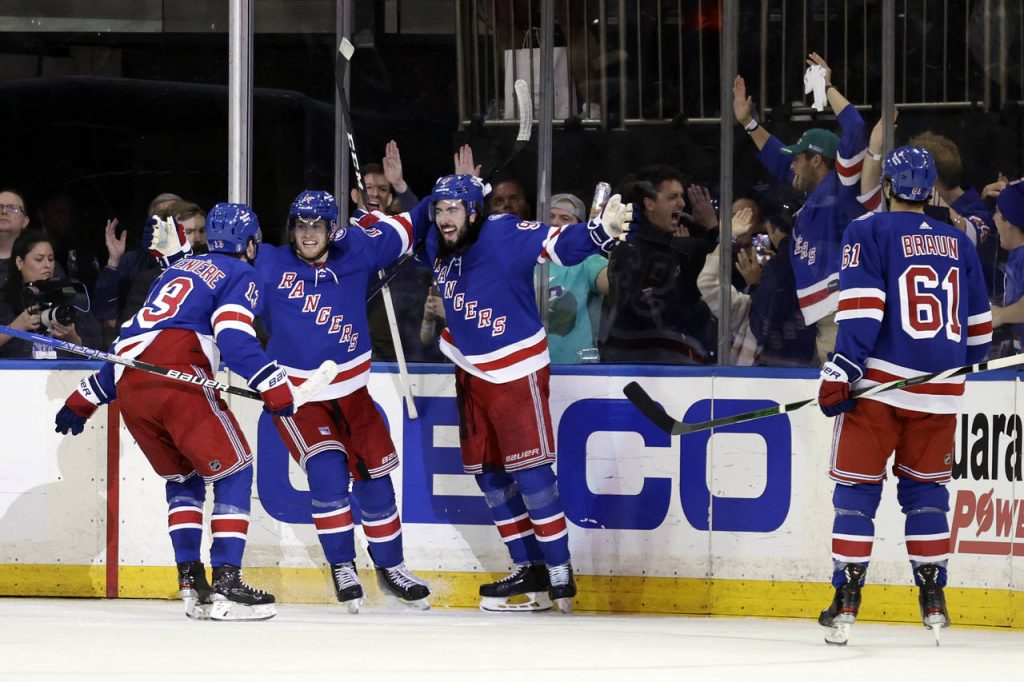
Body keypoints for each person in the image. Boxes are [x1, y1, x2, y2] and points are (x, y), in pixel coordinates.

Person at [361, 173, 633, 612]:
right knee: (488, 474)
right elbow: (400, 235)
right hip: (469, 372)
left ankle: (559, 569)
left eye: (453, 210)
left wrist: (599, 232)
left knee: (532, 472)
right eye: (439, 210)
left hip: (516, 370)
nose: (444, 218)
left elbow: (558, 244)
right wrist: (372, 222)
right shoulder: (436, 240)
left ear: (473, 212)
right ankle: (528, 566)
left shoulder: (503, 231)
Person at [52, 203, 291, 621]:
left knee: (184, 477)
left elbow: (138, 345)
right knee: (234, 471)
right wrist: (272, 383)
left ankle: (191, 580)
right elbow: (234, 338)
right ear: (251, 245)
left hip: (131, 384)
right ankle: (227, 584)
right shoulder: (242, 273)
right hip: (179, 378)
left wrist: (84, 397)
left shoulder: (176, 271)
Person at [815, 147, 992, 645]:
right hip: (940, 394)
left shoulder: (867, 230)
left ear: (889, 187)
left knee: (856, 494)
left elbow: (863, 309)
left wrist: (843, 369)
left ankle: (847, 597)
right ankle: (933, 599)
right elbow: (979, 333)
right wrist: (945, 368)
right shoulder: (959, 242)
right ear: (930, 189)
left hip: (878, 391)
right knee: (926, 496)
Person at [255, 190, 431, 610]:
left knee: (376, 481)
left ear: (332, 229)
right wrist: (175, 257)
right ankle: (342, 566)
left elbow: (414, 222)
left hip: (354, 395)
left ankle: (391, 568)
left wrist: (451, 188)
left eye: (317, 225)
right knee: (328, 474)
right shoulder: (268, 262)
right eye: (301, 225)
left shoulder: (359, 249)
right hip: (301, 398)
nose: (308, 234)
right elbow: (218, 272)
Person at [734, 53, 868, 361]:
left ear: (817, 160)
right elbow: (778, 157)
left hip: (840, 315)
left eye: (798, 158)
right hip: (823, 317)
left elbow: (856, 128)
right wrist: (749, 123)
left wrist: (828, 87)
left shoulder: (843, 187)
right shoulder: (815, 192)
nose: (791, 164)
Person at [599, 165, 717, 364]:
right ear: (649, 204)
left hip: (660, 358)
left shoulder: (671, 246)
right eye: (673, 197)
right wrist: (703, 310)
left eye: (681, 196)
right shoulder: (632, 249)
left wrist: (709, 229)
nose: (682, 203)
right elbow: (658, 314)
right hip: (639, 362)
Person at [0, 230, 102, 358]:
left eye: (51, 259)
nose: (47, 265)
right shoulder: (4, 300)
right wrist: (13, 328)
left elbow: (100, 351)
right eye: (39, 259)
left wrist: (73, 340)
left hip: (62, 370)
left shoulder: (74, 300)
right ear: (20, 262)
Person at [93, 192, 182, 339]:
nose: (167, 220)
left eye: (174, 214)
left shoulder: (199, 259)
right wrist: (114, 261)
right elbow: (105, 311)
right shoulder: (132, 260)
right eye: (162, 215)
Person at [544, 192, 608, 363]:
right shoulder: (527, 260)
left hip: (576, 369)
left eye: (565, 218)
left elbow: (615, 282)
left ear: (580, 227)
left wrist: (615, 244)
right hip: (529, 367)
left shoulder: (588, 261)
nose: (555, 222)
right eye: (550, 216)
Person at [748, 209, 818, 366]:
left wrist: (754, 285)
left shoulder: (775, 267)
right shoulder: (810, 260)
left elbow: (761, 326)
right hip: (809, 355)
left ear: (771, 227)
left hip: (779, 360)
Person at [987, 179, 1024, 354]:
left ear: (1009, 221)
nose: (993, 218)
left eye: (997, 212)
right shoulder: (1017, 255)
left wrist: (1000, 315)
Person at [0, 189, 32, 287]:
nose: (4, 211)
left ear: (25, 221)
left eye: (12, 208)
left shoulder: (42, 261)